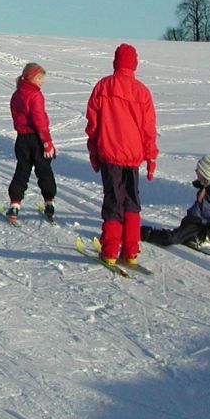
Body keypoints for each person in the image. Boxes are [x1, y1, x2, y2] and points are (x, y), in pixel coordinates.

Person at [86, 43, 158, 268]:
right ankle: (131, 250)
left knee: (113, 201)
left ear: (115, 62)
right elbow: (148, 128)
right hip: (133, 156)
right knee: (131, 201)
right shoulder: (142, 91)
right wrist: (151, 157)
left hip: (110, 154)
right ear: (134, 63)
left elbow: (93, 125)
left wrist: (94, 151)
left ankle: (109, 250)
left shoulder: (103, 86)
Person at [142, 155, 210, 247]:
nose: (196, 172)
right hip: (195, 223)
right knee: (173, 239)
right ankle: (147, 233)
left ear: (207, 173)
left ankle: (206, 237)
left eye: (198, 170)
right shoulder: (205, 185)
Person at [5, 63, 57, 222]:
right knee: (44, 171)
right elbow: (40, 121)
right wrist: (47, 142)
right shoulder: (35, 95)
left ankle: (15, 204)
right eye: (39, 78)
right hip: (36, 139)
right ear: (31, 78)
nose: (42, 82)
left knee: (22, 170)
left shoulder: (16, 94)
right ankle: (49, 202)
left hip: (22, 138)